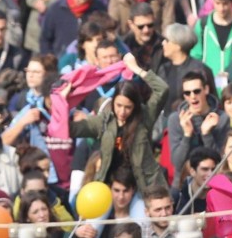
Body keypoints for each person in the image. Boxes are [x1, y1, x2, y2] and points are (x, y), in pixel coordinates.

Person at [67, 52, 169, 195]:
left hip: (142, 186)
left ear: (135, 106)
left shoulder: (145, 116)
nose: (122, 111)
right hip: (110, 186)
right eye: (119, 105)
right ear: (113, 102)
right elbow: (71, 129)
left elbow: (162, 89)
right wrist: (65, 101)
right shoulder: (104, 121)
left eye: (128, 107)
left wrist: (136, 69)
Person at [167, 72, 229, 173]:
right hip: (185, 179)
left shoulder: (222, 118)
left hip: (213, 176)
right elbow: (177, 164)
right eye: (187, 93)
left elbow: (221, 161)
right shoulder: (175, 119)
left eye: (197, 91)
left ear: (206, 89)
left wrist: (206, 135)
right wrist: (187, 135)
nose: (192, 96)